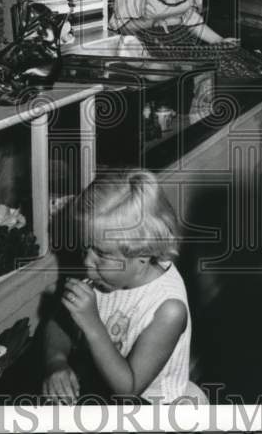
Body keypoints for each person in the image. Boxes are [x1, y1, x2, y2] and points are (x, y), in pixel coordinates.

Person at [41, 170, 204, 404]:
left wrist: (92, 325)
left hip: (154, 408)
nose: (87, 262)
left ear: (143, 254)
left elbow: (128, 390)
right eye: (85, 247)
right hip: (100, 388)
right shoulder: (99, 273)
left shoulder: (169, 309)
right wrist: (56, 361)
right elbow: (58, 322)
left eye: (102, 254)